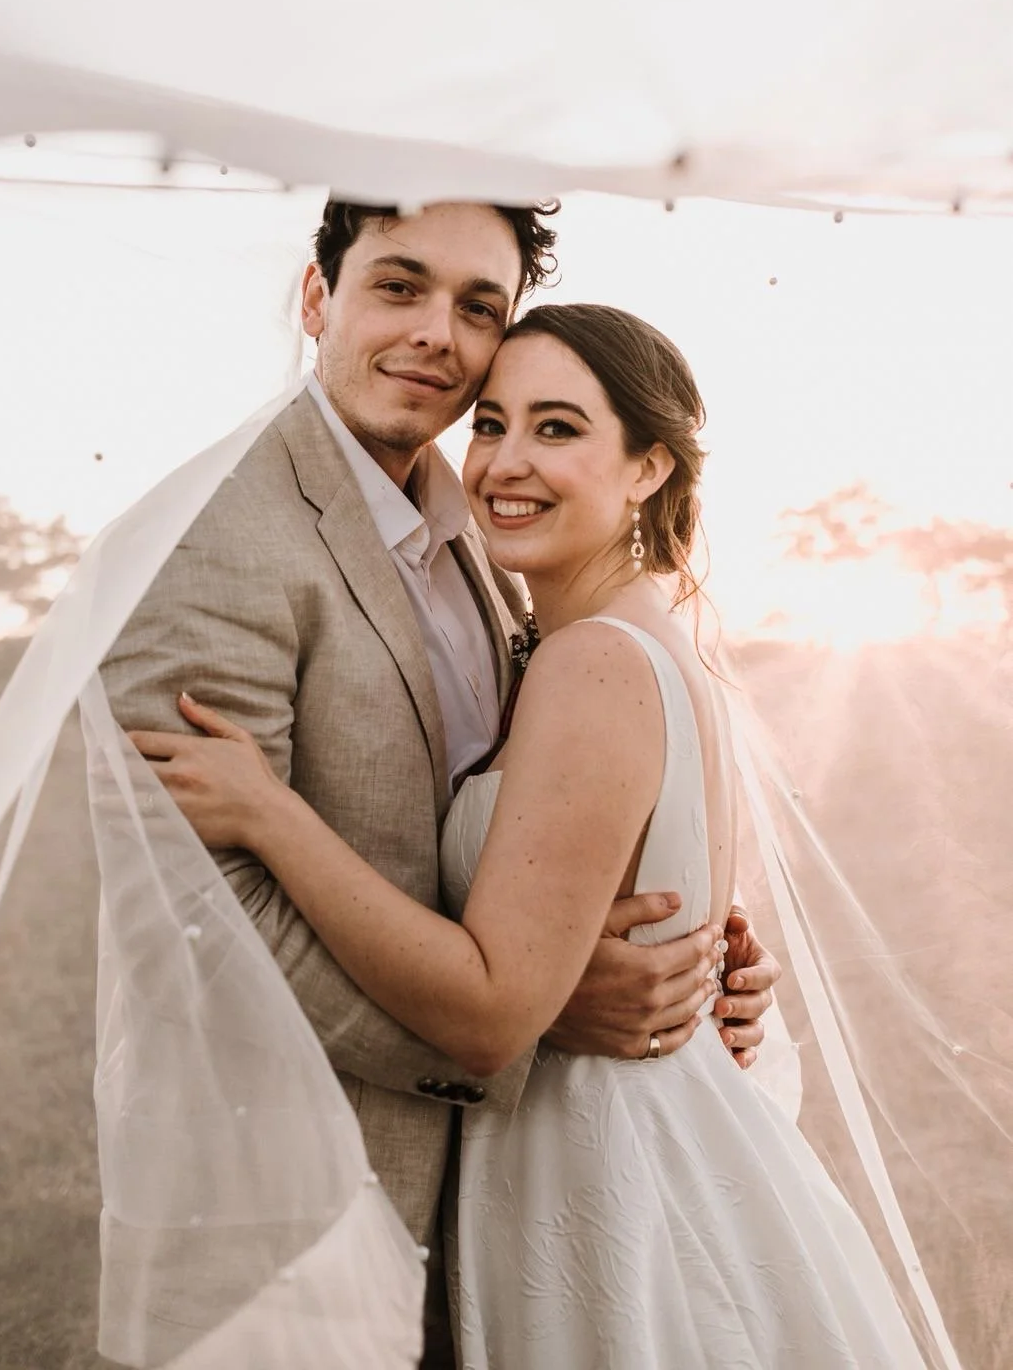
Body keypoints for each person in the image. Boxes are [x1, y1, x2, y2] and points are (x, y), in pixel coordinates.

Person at [135, 302, 925, 1368]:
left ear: (647, 466)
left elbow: (495, 1009)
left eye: (557, 428)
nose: (505, 462)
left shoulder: (590, 660)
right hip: (633, 1143)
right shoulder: (631, 635)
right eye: (491, 423)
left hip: (604, 1174)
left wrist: (269, 815)